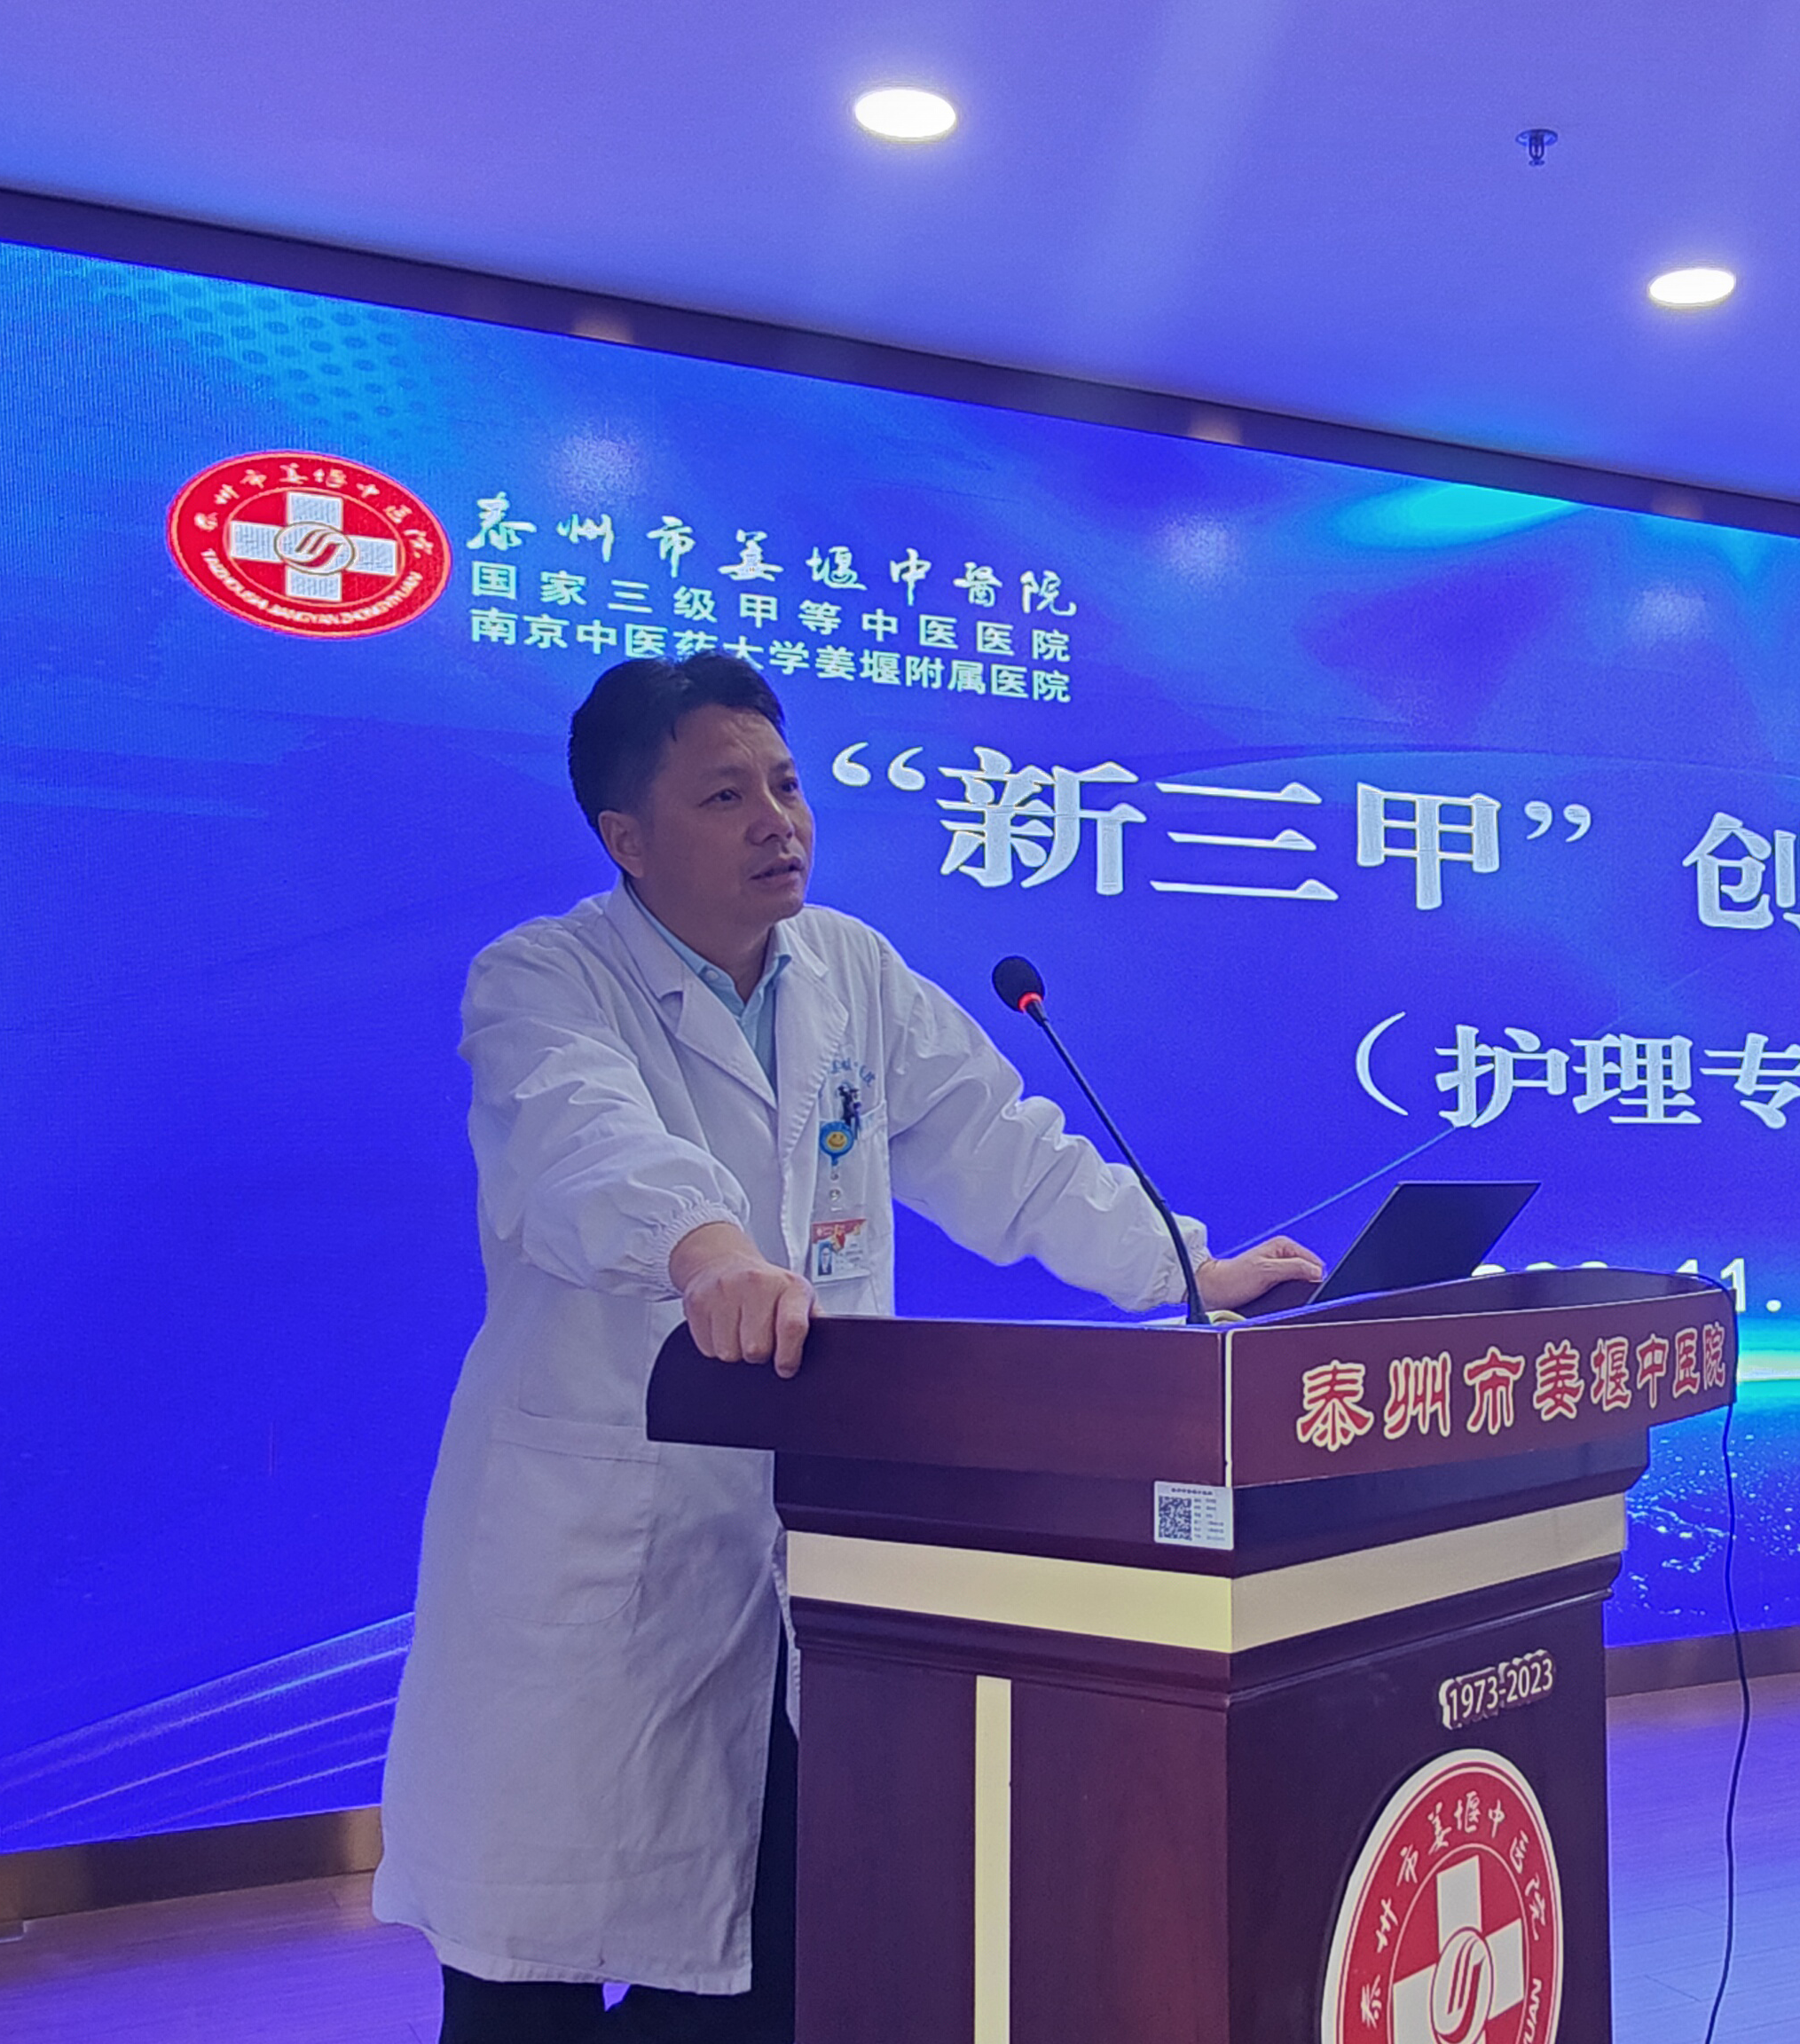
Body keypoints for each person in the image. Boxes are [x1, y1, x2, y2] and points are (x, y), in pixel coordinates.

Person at [373, 655, 1322, 2041]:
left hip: (804, 1550)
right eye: (725, 797)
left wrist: (1190, 1271)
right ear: (625, 837)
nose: (778, 821)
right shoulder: (545, 978)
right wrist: (707, 1248)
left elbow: (1006, 1153)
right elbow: (585, 1140)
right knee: (532, 1989)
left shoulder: (850, 973)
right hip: (602, 1547)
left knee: (780, 1965)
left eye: (786, 784)